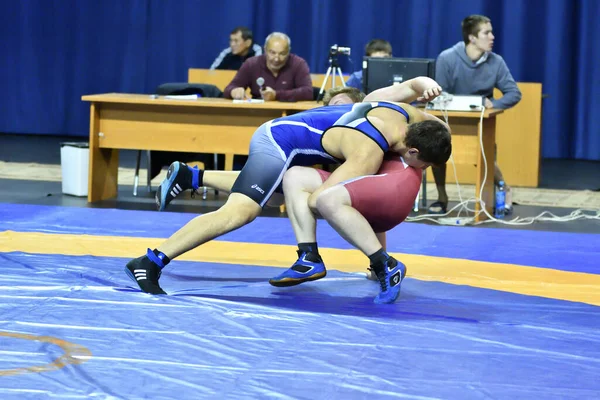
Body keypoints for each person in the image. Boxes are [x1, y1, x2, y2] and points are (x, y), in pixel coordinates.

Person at [124, 77, 451, 303]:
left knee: (282, 191)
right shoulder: (368, 153)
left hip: (293, 140)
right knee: (243, 210)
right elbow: (324, 202)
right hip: (278, 143)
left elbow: (420, 98)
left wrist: (425, 85)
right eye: (423, 167)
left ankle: (192, 177)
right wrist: (373, 235)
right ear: (412, 154)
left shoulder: (399, 110)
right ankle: (150, 261)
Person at [429, 14, 522, 214]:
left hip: (480, 122)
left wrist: (494, 103)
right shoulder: (447, 58)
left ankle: (502, 188)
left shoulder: (496, 62)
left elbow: (514, 93)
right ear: (472, 38)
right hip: (449, 119)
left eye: (491, 32)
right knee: (436, 149)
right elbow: (438, 93)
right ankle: (441, 197)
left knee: (488, 156)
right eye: (486, 33)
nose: (492, 37)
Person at [224, 32, 313, 102]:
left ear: (289, 52)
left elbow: (308, 92)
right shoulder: (252, 64)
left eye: (282, 54)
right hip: (258, 113)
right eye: (272, 53)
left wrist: (276, 95)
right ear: (265, 50)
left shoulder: (298, 64)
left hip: (289, 115)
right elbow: (229, 89)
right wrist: (234, 91)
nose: (276, 59)